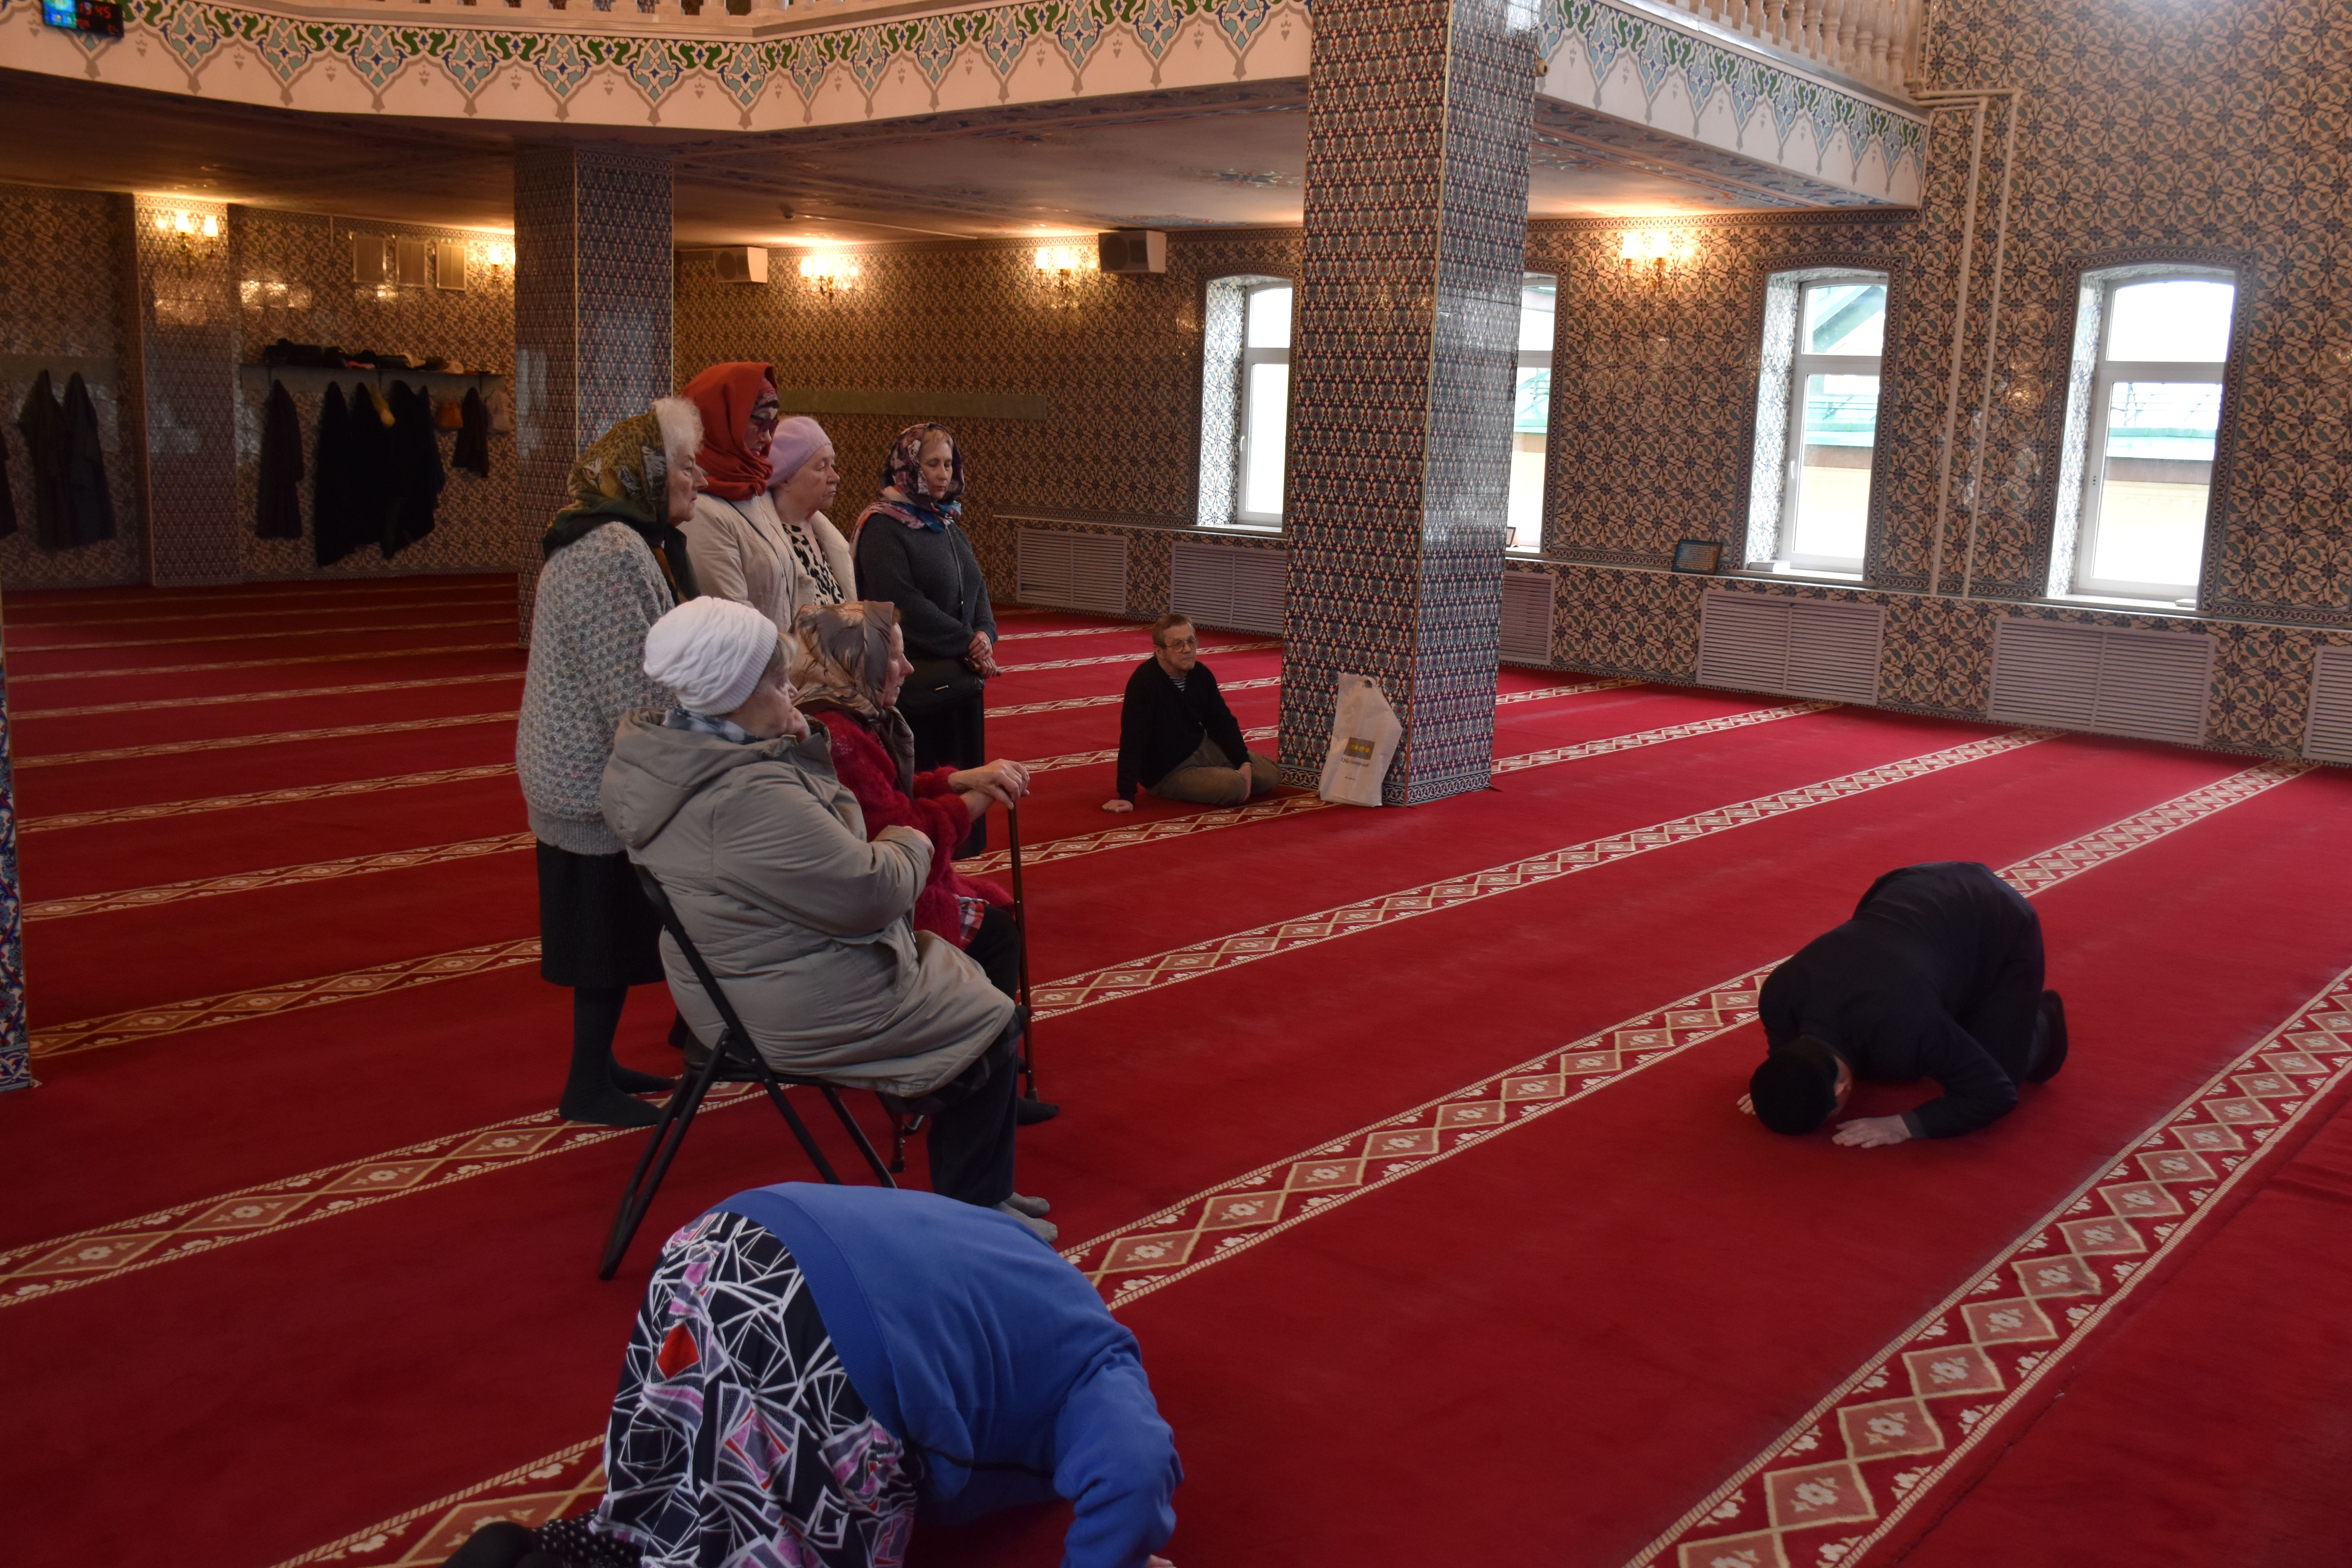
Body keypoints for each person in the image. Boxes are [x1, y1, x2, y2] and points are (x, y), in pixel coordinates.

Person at [600, 597, 1048, 1235]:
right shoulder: (748, 794)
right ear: (734, 694)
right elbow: (874, 890)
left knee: (973, 981)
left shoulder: (678, 758)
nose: (793, 690)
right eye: (778, 681)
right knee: (993, 1018)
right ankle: (977, 1214)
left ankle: (981, 1190)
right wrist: (912, 835)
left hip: (741, 973)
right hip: (785, 997)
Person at [445, 1183, 1180, 1568]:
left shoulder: (1029, 1275)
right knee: (769, 1534)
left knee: (685, 1490)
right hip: (823, 1332)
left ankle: (545, 1555)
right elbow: (1137, 1467)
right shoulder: (1102, 1363)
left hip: (719, 1242)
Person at [792, 601, 1061, 1126]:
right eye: (895, 657)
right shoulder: (839, 736)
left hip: (850, 895)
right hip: (868, 913)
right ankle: (973, 1079)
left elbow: (885, 796)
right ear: (859, 665)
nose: (909, 668)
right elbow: (902, 838)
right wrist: (976, 800)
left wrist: (957, 780)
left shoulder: (839, 714)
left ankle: (983, 1061)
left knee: (992, 916)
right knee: (995, 931)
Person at [515, 398, 704, 1128]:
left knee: (612, 928)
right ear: (647, 471)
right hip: (587, 776)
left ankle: (599, 1068)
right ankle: (586, 1087)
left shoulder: (623, 538)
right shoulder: (611, 551)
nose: (697, 480)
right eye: (685, 466)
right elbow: (632, 688)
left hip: (589, 767)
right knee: (601, 933)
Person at [1741, 861, 2069, 1146]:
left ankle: (2043, 1020)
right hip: (1906, 891)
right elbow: (1783, 1056)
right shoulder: (1777, 996)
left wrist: (1902, 1126)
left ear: (1842, 1089)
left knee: (2001, 1074)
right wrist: (1776, 1090)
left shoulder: (1904, 1026)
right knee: (1889, 1058)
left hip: (1999, 918)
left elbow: (1993, 1094)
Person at [853, 423, 999, 852]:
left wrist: (984, 634)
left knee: (964, 790)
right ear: (908, 466)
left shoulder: (947, 522)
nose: (942, 473)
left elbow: (977, 589)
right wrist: (966, 642)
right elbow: (902, 603)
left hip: (960, 681)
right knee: (931, 791)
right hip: (917, 680)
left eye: (948, 464)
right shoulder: (883, 526)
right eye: (932, 463)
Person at [677, 360, 804, 640]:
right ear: (720, 420)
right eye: (760, 421)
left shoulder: (754, 489)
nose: (768, 437)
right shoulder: (696, 508)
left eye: (773, 424)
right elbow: (731, 620)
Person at [1104, 613, 1278, 813]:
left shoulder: (1200, 674)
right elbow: (1133, 740)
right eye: (1178, 645)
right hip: (1168, 771)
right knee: (1235, 787)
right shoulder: (1144, 683)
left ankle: (1219, 773)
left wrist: (1243, 762)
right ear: (1160, 652)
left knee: (1269, 775)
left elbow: (1222, 722)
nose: (1187, 650)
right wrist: (1126, 795)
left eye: (1191, 642)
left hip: (1200, 747)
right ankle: (1216, 778)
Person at [768, 414, 856, 611]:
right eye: (821, 467)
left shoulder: (825, 538)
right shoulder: (772, 545)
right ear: (785, 478)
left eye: (832, 465)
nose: (835, 477)